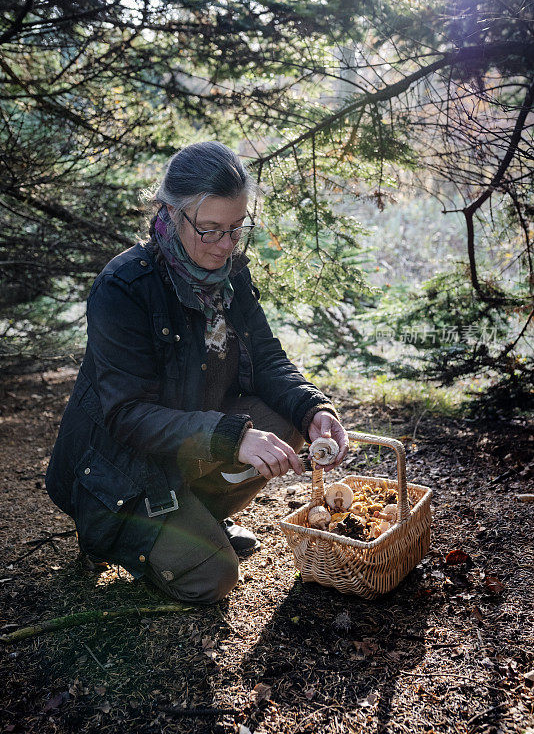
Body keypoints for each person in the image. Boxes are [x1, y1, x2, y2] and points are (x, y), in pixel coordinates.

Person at [46, 141, 348, 603]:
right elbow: (126, 414)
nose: (226, 245)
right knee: (213, 579)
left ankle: (199, 516)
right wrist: (232, 438)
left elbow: (266, 359)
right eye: (209, 230)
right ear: (171, 212)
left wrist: (312, 407)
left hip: (185, 442)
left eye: (235, 229)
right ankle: (118, 533)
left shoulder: (231, 275)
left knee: (286, 424)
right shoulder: (125, 287)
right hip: (117, 469)